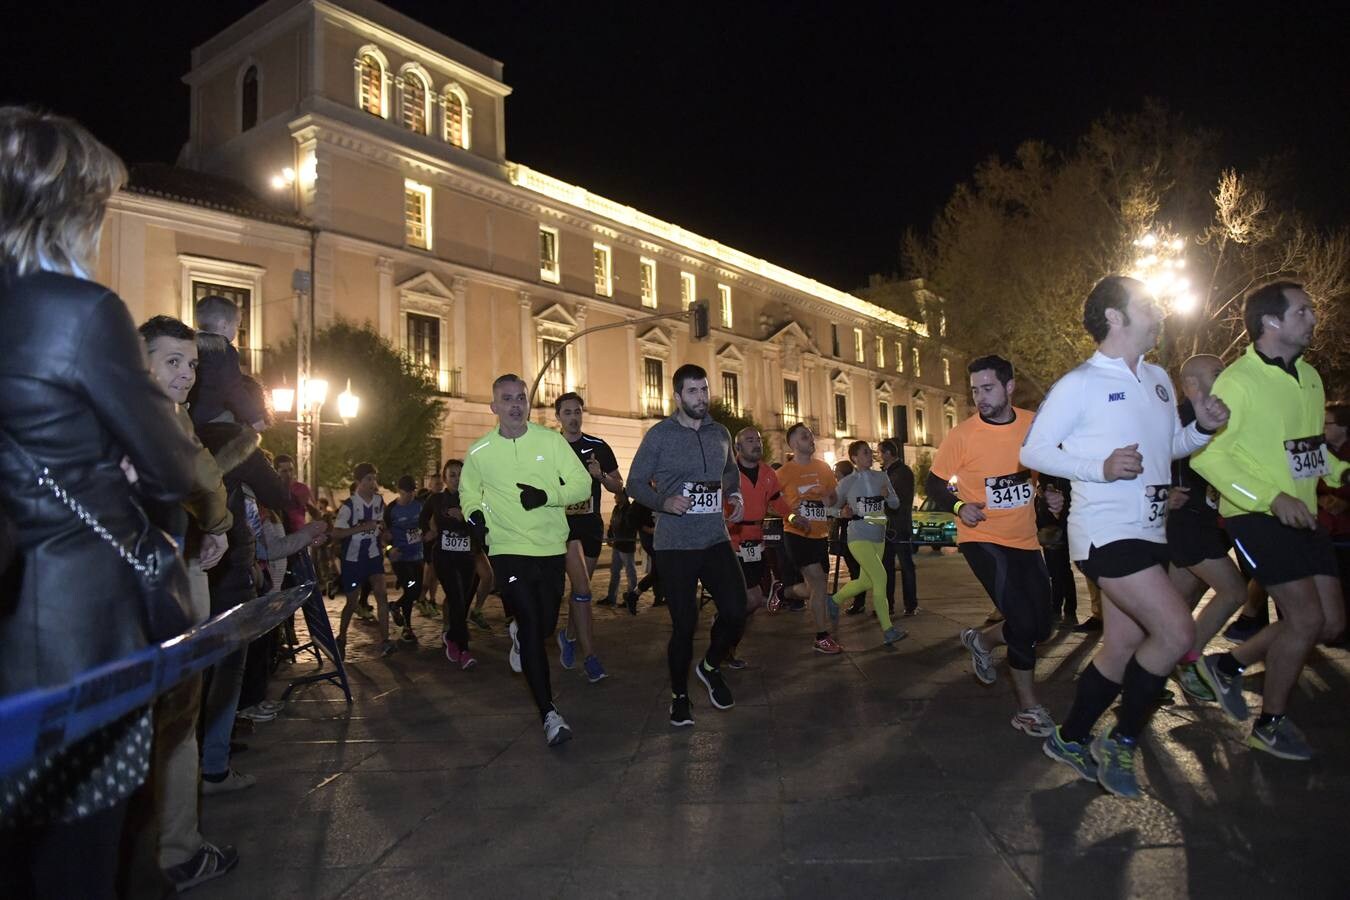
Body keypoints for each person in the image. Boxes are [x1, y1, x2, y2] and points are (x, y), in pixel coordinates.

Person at [0, 106, 198, 898]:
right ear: (71, 206)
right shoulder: (80, 311)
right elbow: (173, 466)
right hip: (79, 626)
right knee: (81, 859)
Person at [1021, 275, 1227, 798]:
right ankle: (1123, 738)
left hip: (1150, 530)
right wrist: (1100, 467)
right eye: (1148, 305)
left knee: (1124, 644)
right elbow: (1034, 451)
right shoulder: (1081, 382)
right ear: (1115, 316)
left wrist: (1200, 428)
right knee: (1178, 635)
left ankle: (1068, 739)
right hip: (1106, 533)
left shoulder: (1157, 378)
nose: (1159, 312)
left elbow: (1169, 448)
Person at [1190, 282, 1347, 759]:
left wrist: (1341, 471)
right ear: (1271, 323)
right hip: (1256, 516)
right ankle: (1271, 723)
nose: (1314, 318)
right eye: (1303, 311)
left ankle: (1228, 667)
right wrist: (1270, 497)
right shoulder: (1236, 382)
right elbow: (1209, 459)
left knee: (1330, 623)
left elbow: (1307, 452)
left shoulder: (1312, 378)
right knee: (1305, 617)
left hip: (1304, 515)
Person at [134, 316, 238, 892]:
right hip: (158, 582)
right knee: (175, 720)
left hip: (159, 573)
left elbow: (205, 481)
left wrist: (215, 523)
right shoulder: (153, 419)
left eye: (192, 364)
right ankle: (176, 851)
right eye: (172, 361)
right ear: (142, 360)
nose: (186, 374)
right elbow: (207, 482)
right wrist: (217, 524)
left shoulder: (167, 416)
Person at [459, 374, 592, 746]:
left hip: (551, 548)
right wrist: (475, 514)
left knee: (545, 624)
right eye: (507, 398)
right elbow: (468, 492)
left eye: (521, 397)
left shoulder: (550, 442)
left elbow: (582, 484)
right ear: (494, 407)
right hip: (506, 550)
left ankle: (518, 633)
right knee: (534, 626)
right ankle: (549, 714)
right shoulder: (479, 451)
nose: (516, 404)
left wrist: (546, 495)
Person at [929, 355, 1058, 736]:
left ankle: (981, 640)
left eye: (987, 389)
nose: (980, 398)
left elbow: (1046, 469)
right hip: (981, 536)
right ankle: (1029, 709)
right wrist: (958, 506)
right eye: (975, 391)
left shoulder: (1034, 424)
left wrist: (1051, 495)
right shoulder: (962, 435)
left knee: (1042, 628)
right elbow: (935, 484)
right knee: (1021, 620)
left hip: (1025, 539)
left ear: (1009, 387)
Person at [626, 364, 748, 727]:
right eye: (692, 391)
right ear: (677, 397)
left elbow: (730, 471)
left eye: (704, 389)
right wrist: (663, 502)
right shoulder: (659, 436)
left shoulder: (720, 433)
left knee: (737, 611)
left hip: (714, 538)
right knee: (684, 624)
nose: (701, 397)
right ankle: (679, 696)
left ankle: (709, 666)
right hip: (675, 544)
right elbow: (634, 484)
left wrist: (736, 493)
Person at [194, 375, 288, 796]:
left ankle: (198, 755)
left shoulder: (184, 429)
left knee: (194, 670)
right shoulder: (237, 439)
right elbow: (279, 493)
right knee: (227, 669)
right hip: (228, 568)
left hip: (189, 569)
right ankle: (214, 765)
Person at [1163, 355, 1250, 704]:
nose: (1226, 375)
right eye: (1217, 373)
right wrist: (1163, 492)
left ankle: (1144, 673)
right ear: (1191, 385)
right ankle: (1188, 661)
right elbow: (1149, 456)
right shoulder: (1178, 418)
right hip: (1187, 522)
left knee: (1174, 607)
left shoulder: (1224, 415)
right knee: (1234, 592)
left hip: (1208, 520)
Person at [553, 392, 621, 683]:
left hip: (591, 525)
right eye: (567, 412)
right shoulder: (549, 447)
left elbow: (619, 487)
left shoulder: (598, 446)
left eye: (577, 411)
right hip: (562, 526)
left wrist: (600, 475)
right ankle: (591, 656)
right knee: (582, 588)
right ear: (558, 417)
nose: (573, 416)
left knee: (580, 592)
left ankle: (568, 636)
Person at [827, 441, 907, 647]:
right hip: (858, 536)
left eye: (870, 453)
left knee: (866, 581)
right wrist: (841, 512)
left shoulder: (882, 476)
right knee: (880, 576)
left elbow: (896, 504)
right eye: (865, 453)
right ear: (854, 458)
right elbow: (829, 509)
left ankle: (834, 600)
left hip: (878, 535)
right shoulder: (847, 483)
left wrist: (888, 496)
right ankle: (888, 630)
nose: (870, 456)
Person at [772, 423, 843, 653]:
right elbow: (770, 504)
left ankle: (783, 591)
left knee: (813, 587)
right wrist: (791, 514)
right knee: (820, 584)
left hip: (820, 535)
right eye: (804, 437)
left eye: (811, 437)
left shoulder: (823, 468)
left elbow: (833, 499)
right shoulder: (783, 473)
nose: (810, 440)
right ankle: (821, 636)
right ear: (793, 444)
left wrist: (827, 499)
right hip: (796, 534)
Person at [725, 427, 792, 666]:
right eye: (750, 440)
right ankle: (725, 644)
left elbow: (778, 502)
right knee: (747, 598)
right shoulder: (727, 472)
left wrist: (793, 518)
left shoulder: (767, 473)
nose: (756, 444)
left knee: (752, 602)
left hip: (756, 542)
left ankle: (727, 642)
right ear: (738, 447)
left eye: (758, 440)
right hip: (731, 539)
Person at [420, 459, 479, 669]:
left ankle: (451, 636)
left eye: (460, 474)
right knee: (455, 599)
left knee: (462, 603)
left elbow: (481, 526)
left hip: (467, 558)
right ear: (445, 478)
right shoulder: (436, 499)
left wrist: (465, 518)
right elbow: (423, 518)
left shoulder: (472, 499)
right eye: (452, 474)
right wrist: (428, 532)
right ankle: (464, 651)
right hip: (444, 557)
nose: (456, 478)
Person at [333, 463, 393, 659]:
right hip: (353, 560)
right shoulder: (349, 506)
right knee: (352, 602)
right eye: (368, 479)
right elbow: (337, 533)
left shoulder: (379, 501)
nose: (373, 482)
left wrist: (386, 536)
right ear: (359, 481)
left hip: (373, 557)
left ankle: (385, 641)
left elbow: (381, 527)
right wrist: (361, 527)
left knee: (382, 595)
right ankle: (341, 638)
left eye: (374, 478)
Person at [187, 294, 267, 431]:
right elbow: (233, 388)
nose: (236, 331)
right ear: (224, 325)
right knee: (239, 433)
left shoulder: (189, 346)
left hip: (189, 415)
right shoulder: (224, 350)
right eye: (236, 326)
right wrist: (255, 418)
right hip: (212, 416)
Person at [877, 439, 918, 617]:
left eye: (879, 452)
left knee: (906, 566)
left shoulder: (901, 472)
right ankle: (888, 605)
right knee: (886, 567)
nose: (877, 456)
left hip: (898, 526)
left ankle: (910, 605)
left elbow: (897, 500)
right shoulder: (888, 472)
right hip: (887, 526)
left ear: (887, 453)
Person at [384, 475, 425, 644]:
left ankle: (395, 606)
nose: (410, 495)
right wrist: (389, 550)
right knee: (411, 588)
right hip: (400, 558)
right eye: (407, 492)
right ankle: (407, 628)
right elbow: (384, 536)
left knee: (415, 590)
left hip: (417, 556)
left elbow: (428, 524)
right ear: (399, 491)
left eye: (412, 491)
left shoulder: (420, 505)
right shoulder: (391, 510)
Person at [1035, 477, 1076, 627]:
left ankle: (1063, 609)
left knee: (1061, 572)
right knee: (1057, 572)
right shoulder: (1043, 488)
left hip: (1057, 533)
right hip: (1050, 533)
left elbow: (1061, 508)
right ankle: (1061, 608)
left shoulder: (1056, 485)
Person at [602, 488, 640, 612]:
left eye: (617, 495)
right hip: (618, 544)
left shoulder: (629, 509)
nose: (614, 497)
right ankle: (611, 597)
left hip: (626, 544)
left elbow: (630, 525)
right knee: (614, 571)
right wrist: (610, 536)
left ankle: (631, 596)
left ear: (624, 496)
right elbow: (613, 523)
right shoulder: (616, 508)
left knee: (630, 572)